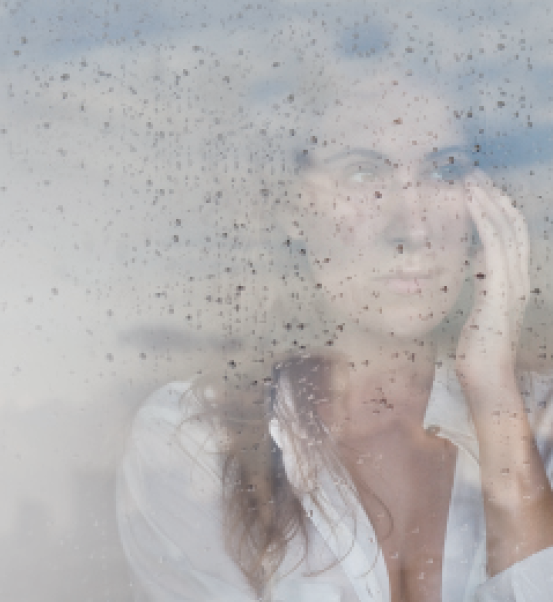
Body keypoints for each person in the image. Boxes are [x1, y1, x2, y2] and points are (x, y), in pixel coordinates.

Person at [116, 73, 553, 602]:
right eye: (362, 172)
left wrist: (496, 401)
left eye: (444, 170)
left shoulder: (541, 428)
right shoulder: (195, 440)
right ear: (293, 207)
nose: (412, 227)